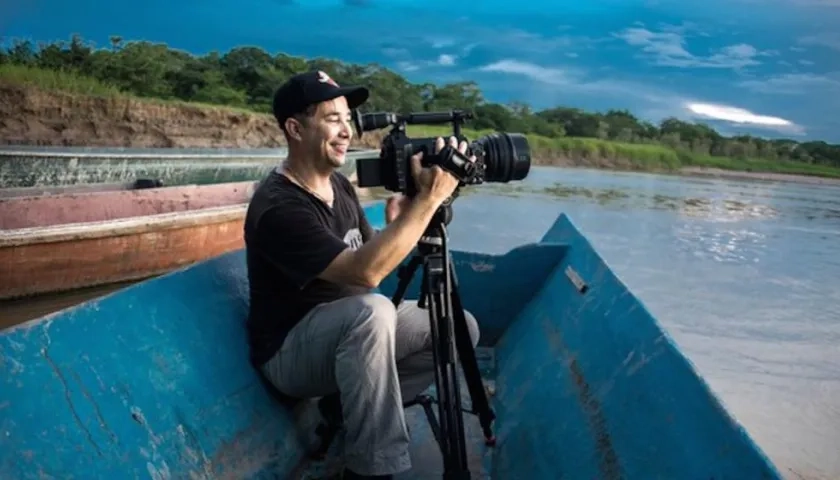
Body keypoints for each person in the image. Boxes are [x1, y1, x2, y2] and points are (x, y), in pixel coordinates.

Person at [243, 69, 481, 479]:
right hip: (290, 351)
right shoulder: (280, 206)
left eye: (347, 119)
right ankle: (372, 468)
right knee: (373, 314)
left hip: (348, 330)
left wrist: (401, 222)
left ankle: (347, 410)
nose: (346, 130)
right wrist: (430, 198)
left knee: (459, 328)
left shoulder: (340, 185)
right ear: (295, 129)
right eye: (332, 119)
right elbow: (367, 274)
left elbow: (370, 262)